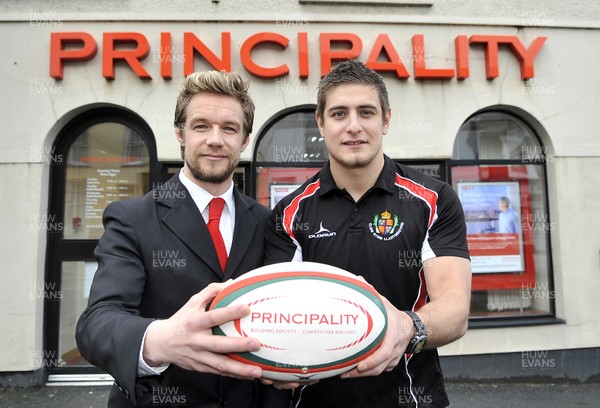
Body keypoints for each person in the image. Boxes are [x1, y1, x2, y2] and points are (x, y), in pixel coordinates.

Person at [263, 59, 472, 407]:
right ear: (321, 122)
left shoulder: (434, 200)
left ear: (386, 119)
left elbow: (455, 310)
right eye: (339, 113)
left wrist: (407, 328)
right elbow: (278, 311)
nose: (354, 127)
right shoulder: (289, 213)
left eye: (366, 112)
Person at [76, 71, 288, 408]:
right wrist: (160, 340)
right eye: (201, 126)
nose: (215, 140)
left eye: (229, 128)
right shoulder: (132, 218)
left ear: (245, 139)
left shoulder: (267, 222)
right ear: (180, 133)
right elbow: (98, 322)